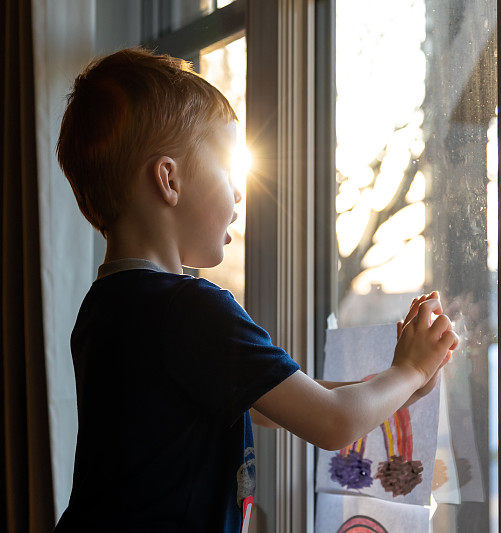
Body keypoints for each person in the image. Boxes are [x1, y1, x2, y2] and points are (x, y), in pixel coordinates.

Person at [52, 47, 458, 532]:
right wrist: (409, 369)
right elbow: (330, 422)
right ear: (168, 179)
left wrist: (399, 389)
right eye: (228, 166)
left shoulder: (106, 310)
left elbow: (272, 401)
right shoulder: (191, 308)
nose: (240, 190)